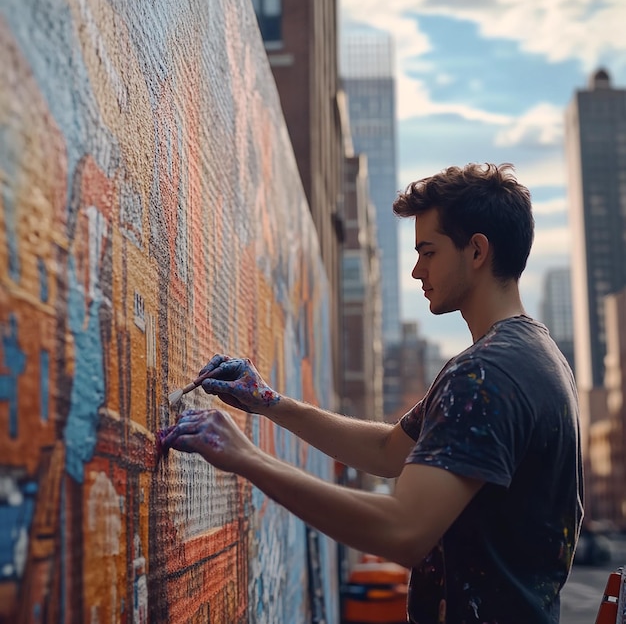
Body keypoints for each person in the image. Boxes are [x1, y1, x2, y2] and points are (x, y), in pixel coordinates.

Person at [160, 163, 584, 623]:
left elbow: (403, 530)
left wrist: (246, 458)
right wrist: (270, 403)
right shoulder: (535, 357)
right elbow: (388, 451)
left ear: (477, 250)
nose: (417, 270)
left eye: (429, 251)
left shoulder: (486, 375)